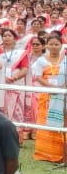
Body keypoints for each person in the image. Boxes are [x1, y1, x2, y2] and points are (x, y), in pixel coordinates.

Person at [31, 33, 65, 164]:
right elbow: (38, 77)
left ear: (61, 45)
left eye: (57, 44)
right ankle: (46, 152)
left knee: (62, 120)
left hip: (62, 95)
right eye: (51, 44)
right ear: (46, 45)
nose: (54, 47)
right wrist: (50, 86)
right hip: (47, 95)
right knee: (46, 121)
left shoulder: (64, 60)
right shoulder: (41, 60)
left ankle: (61, 152)